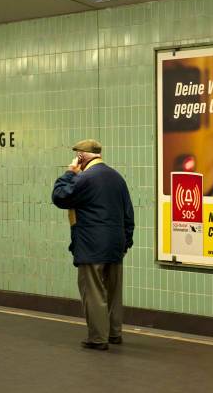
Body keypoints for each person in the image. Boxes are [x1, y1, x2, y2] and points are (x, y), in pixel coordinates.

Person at [52, 139, 134, 351]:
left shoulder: (86, 178)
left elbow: (60, 196)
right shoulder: (117, 178)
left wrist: (70, 172)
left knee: (94, 292)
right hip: (115, 244)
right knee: (114, 292)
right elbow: (128, 214)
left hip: (92, 245)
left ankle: (98, 338)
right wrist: (126, 241)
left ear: (81, 157)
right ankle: (115, 334)